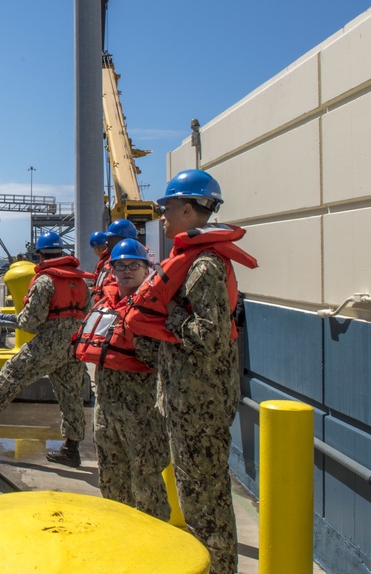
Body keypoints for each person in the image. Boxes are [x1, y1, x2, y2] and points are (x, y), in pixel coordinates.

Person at [123, 170, 257, 574]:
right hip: (185, 400)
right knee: (194, 495)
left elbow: (211, 336)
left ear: (186, 208)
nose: (162, 216)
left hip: (201, 405)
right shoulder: (190, 261)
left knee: (206, 503)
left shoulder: (204, 266)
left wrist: (169, 313)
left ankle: (218, 569)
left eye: (166, 208)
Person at [73, 238, 169, 520]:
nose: (126, 271)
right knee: (111, 477)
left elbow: (161, 360)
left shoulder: (152, 309)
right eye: (120, 265)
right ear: (112, 270)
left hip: (142, 411)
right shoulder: (105, 304)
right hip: (106, 408)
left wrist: (133, 333)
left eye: (134, 265)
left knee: (146, 481)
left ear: (146, 268)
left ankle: (155, 551)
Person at [0, 232, 91, 468]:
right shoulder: (79, 281)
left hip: (50, 342)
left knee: (13, 372)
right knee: (71, 396)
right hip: (74, 344)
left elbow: (30, 322)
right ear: (62, 253)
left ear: (39, 255)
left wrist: (21, 318)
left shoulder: (44, 281)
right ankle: (72, 449)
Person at [91, 219, 136, 305]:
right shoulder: (108, 261)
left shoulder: (135, 265)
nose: (106, 243)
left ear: (123, 240)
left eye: (110, 239)